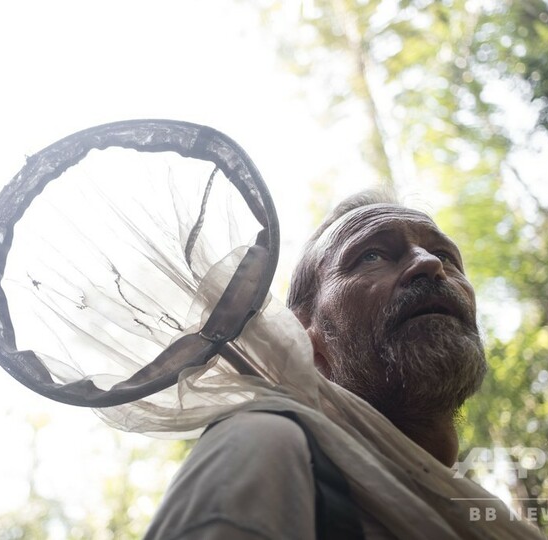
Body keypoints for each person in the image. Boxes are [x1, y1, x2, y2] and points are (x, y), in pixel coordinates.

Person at [144, 190, 501, 539]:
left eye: (445, 255)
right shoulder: (265, 445)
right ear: (303, 335)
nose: (429, 263)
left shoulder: (488, 518)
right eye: (371, 255)